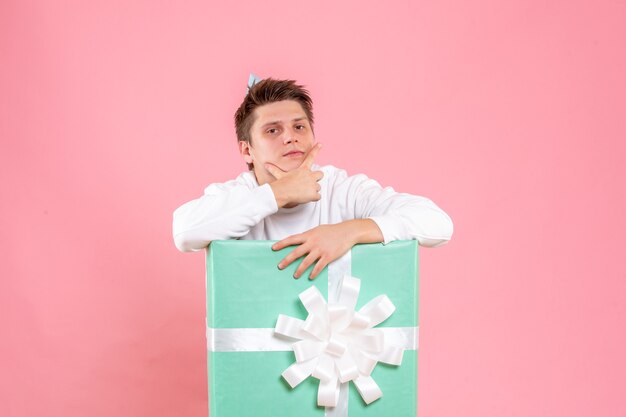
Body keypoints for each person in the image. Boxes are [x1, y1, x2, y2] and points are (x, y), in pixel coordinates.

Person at [172, 76, 453, 279]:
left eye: (299, 126)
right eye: (272, 130)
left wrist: (347, 232)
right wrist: (280, 192)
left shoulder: (342, 189)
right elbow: (184, 231)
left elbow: (438, 223)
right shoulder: (234, 196)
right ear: (247, 150)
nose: (290, 137)